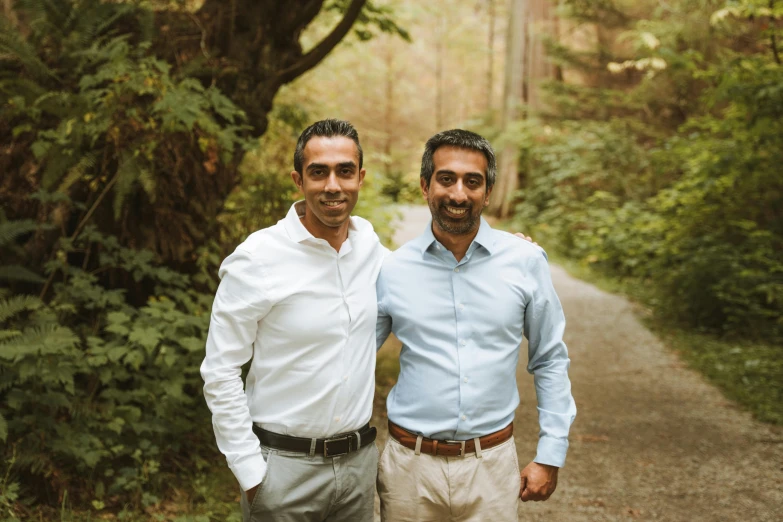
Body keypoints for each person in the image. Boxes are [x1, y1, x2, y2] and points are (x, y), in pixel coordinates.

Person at [375, 129, 577, 522]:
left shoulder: (525, 261)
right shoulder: (391, 269)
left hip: (492, 467)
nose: (458, 194)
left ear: (488, 192)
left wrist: (550, 454)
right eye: (446, 178)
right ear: (424, 185)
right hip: (408, 471)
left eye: (473, 181)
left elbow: (550, 358)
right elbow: (350, 357)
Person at [201, 119, 384, 522]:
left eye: (345, 171)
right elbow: (220, 369)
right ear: (298, 180)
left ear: (360, 178)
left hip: (358, 469)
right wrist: (252, 473)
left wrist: (509, 250)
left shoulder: (369, 245)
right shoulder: (258, 258)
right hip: (283, 471)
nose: (333, 185)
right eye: (319, 172)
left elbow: (426, 279)